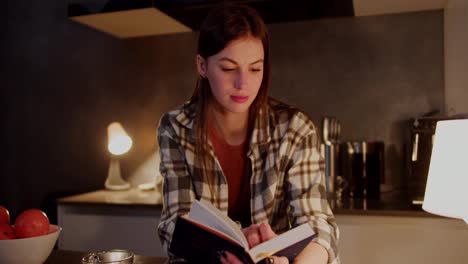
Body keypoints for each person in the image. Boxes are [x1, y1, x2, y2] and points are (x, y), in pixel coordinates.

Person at [157, 3, 340, 264]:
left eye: (255, 69)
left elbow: (319, 226)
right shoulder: (175, 127)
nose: (244, 83)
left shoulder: (295, 128)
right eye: (229, 68)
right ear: (202, 66)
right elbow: (175, 225)